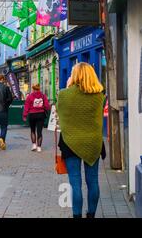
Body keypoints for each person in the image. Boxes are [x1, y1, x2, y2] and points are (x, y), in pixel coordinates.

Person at [57, 62, 106, 218]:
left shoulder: (64, 94)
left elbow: (60, 113)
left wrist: (67, 86)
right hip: (93, 142)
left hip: (70, 142)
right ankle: (91, 214)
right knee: (93, 181)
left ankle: (76, 215)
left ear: (76, 75)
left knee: (75, 182)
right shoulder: (100, 96)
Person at [23, 84, 51, 152]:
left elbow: (26, 106)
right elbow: (47, 106)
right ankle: (39, 147)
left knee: (33, 130)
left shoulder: (30, 96)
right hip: (41, 115)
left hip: (32, 115)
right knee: (39, 131)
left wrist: (25, 116)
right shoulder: (43, 96)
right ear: (39, 89)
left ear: (33, 89)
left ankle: (34, 145)